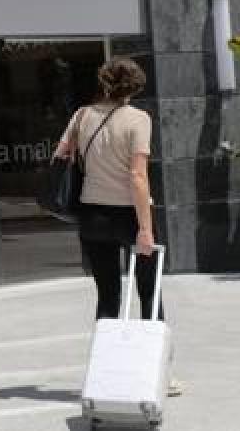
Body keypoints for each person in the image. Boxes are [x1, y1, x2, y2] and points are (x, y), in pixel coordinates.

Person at [54, 56, 182, 397]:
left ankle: (104, 376)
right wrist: (145, 228)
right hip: (131, 215)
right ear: (135, 87)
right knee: (149, 294)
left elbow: (61, 153)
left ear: (104, 82)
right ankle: (159, 377)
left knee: (107, 297)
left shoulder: (81, 116)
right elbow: (138, 177)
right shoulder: (138, 119)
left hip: (93, 215)